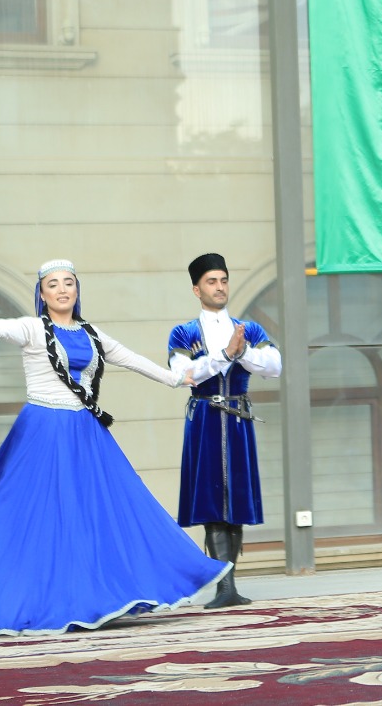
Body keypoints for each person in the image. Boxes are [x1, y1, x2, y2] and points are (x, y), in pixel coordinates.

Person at [0, 260, 228, 635]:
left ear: (77, 290)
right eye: (53, 284)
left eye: (68, 283)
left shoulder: (92, 334)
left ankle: (92, 593)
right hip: (43, 430)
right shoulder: (32, 329)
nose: (61, 289)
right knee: (20, 512)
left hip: (83, 433)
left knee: (101, 511)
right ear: (42, 294)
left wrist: (175, 379)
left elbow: (132, 359)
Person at [168, 252, 283, 608]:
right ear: (196, 289)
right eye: (211, 282)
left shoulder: (250, 329)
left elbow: (274, 366)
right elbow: (182, 374)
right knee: (212, 499)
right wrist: (224, 355)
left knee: (235, 499)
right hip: (205, 418)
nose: (219, 287)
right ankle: (224, 586)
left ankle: (230, 584)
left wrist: (242, 351)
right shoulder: (184, 332)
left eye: (223, 280)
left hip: (237, 418)